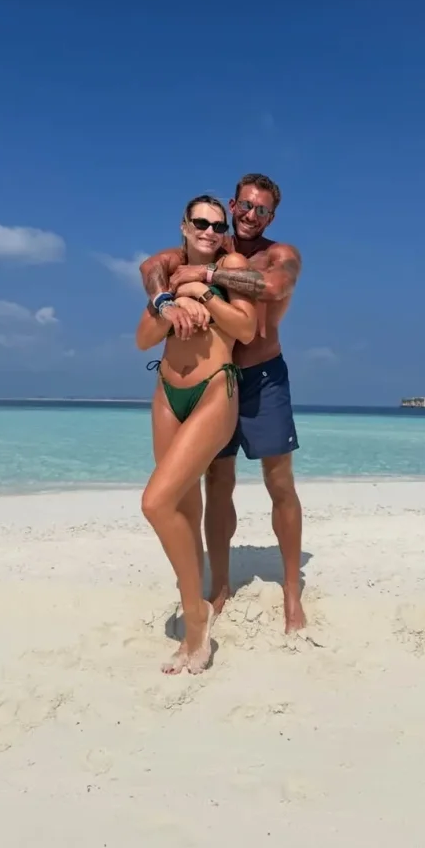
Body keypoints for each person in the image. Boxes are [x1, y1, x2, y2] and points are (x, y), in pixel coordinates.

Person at [139, 173, 305, 632]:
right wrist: (165, 300)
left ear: (272, 216)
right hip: (219, 378)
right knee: (218, 481)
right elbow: (153, 265)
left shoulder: (280, 254)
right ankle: (220, 585)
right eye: (245, 206)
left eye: (262, 210)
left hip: (264, 377)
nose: (252, 215)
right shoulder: (210, 240)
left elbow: (272, 288)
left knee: (279, 481)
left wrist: (205, 277)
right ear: (233, 206)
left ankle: (292, 589)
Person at [136, 195, 257, 674]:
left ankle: (195, 617)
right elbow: (142, 340)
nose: (209, 231)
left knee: (155, 502)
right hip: (167, 395)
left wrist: (204, 296)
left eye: (217, 225)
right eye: (201, 223)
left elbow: (246, 329)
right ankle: (196, 602)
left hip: (213, 391)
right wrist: (169, 306)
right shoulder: (168, 274)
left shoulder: (231, 267)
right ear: (184, 226)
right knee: (181, 509)